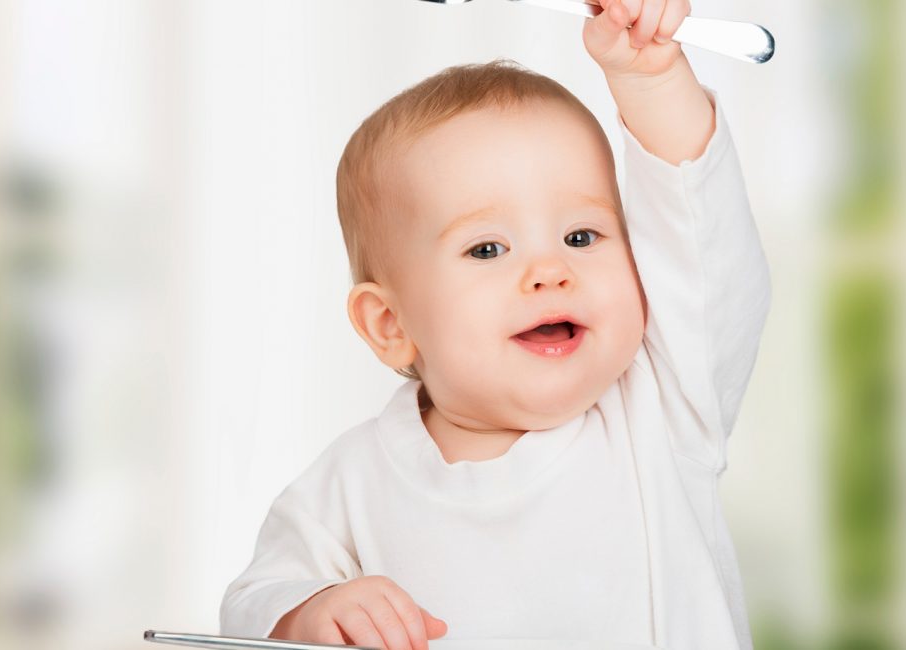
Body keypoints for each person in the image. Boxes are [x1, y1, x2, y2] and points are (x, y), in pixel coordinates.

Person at [220, 1, 771, 648]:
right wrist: (313, 612)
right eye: (487, 249)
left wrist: (650, 79)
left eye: (581, 234)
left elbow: (704, 244)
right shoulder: (349, 483)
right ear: (390, 323)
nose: (550, 271)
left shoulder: (666, 406)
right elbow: (253, 602)